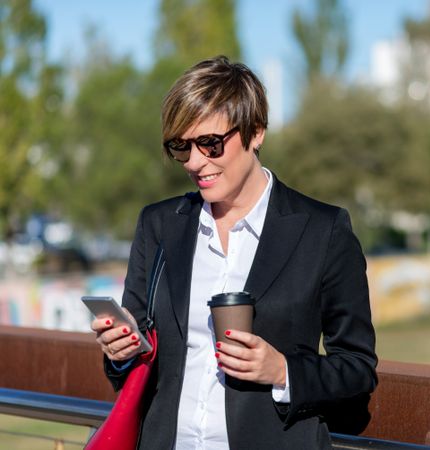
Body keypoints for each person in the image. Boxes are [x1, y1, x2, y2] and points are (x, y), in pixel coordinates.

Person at [91, 55, 377, 450]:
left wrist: (283, 371)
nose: (195, 162)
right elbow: (136, 369)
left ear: (255, 132)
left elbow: (358, 368)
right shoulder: (159, 226)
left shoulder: (323, 230)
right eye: (181, 147)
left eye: (210, 143)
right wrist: (122, 353)